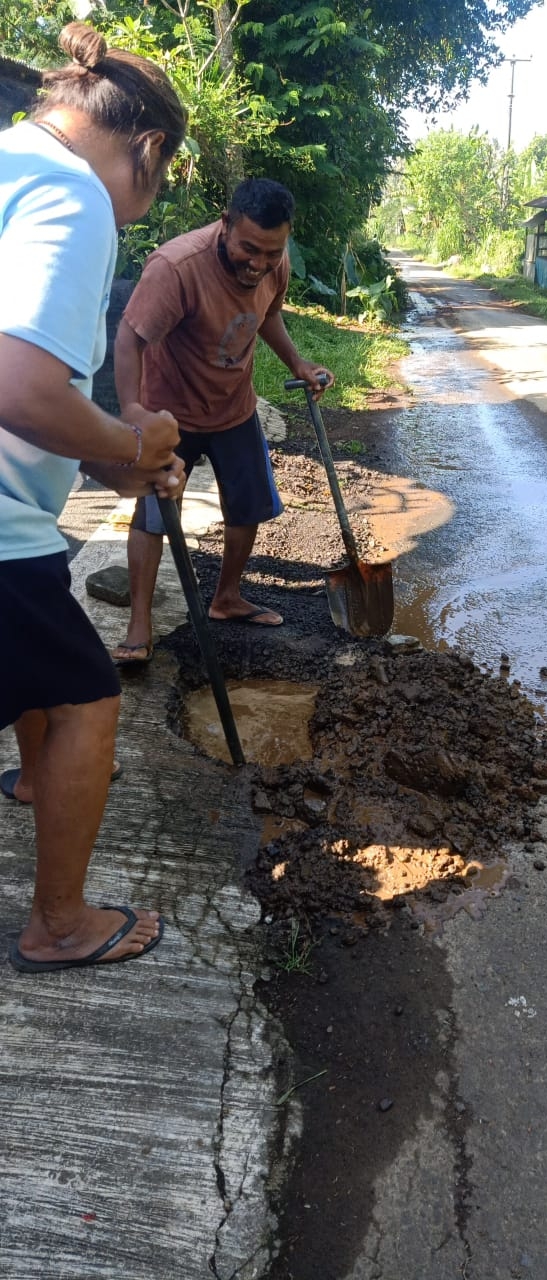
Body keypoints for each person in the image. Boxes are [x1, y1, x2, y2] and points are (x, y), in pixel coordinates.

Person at [0, 22, 187, 972]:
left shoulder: (9, 164)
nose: (140, 210)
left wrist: (109, 465)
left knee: (47, 656)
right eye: (152, 188)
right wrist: (134, 439)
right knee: (87, 693)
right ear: (148, 149)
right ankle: (62, 923)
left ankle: (36, 780)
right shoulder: (74, 196)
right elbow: (22, 389)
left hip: (14, 517)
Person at [110, 177, 334, 667]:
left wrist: (297, 363)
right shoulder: (177, 267)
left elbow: (267, 313)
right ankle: (139, 626)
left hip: (235, 409)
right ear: (226, 225)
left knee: (248, 505)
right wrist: (133, 413)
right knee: (153, 517)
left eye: (271, 252)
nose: (258, 264)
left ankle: (227, 598)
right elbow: (130, 340)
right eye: (249, 249)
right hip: (170, 415)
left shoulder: (274, 264)